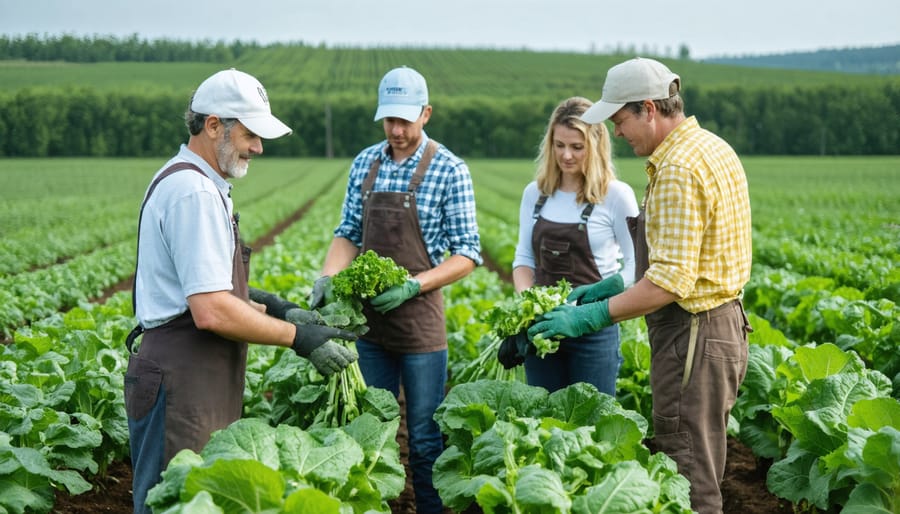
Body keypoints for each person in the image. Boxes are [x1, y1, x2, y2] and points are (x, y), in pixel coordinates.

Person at [124, 68, 358, 514]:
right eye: (251, 134)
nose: (259, 147)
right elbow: (211, 310)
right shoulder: (192, 191)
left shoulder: (206, 185)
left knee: (199, 497)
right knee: (175, 500)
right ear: (214, 126)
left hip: (196, 373)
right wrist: (299, 339)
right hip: (181, 377)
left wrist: (277, 308)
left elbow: (208, 288)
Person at [528, 57, 752, 514]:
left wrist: (591, 314)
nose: (618, 132)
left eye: (620, 120)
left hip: (692, 333)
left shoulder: (677, 171)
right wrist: (612, 285)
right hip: (720, 328)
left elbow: (668, 282)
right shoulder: (711, 147)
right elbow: (689, 258)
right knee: (700, 460)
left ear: (649, 109)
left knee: (687, 473)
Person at [309, 66, 481, 514]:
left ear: (426, 114)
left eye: (405, 120)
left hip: (421, 328)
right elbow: (348, 231)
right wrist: (327, 277)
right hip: (369, 328)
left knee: (424, 437)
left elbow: (467, 254)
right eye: (389, 120)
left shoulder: (449, 169)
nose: (397, 130)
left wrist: (413, 286)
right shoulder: (365, 162)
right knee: (372, 431)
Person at [496, 96, 638, 397]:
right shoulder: (535, 194)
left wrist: (610, 287)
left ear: (596, 146)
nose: (567, 155)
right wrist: (528, 307)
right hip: (543, 329)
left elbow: (637, 267)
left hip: (593, 330)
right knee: (542, 418)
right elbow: (523, 258)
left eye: (577, 147)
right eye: (559, 145)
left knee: (592, 422)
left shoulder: (615, 196)